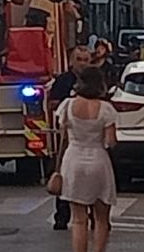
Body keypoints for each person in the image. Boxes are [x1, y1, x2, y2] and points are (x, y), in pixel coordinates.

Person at [53, 67, 117, 252]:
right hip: (98, 160)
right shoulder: (106, 109)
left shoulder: (67, 105)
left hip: (73, 160)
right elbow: (110, 142)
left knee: (78, 219)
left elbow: (62, 133)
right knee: (101, 218)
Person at [48, 45, 95, 231]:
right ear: (71, 61)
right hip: (69, 137)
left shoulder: (94, 80)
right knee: (65, 176)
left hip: (91, 139)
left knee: (92, 181)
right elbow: (52, 103)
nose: (82, 64)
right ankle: (62, 216)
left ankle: (93, 216)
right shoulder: (63, 81)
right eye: (79, 59)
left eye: (86, 60)